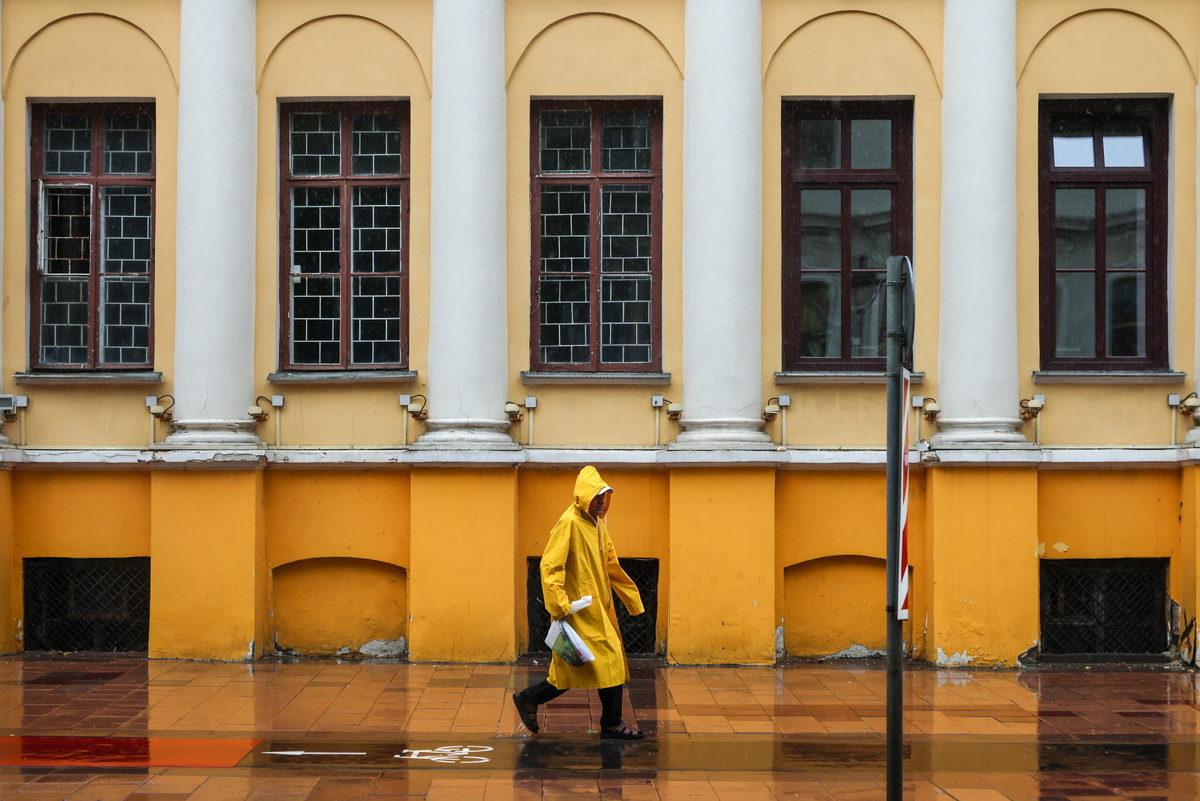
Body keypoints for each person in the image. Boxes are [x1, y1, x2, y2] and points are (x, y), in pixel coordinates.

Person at [512, 465, 646, 739]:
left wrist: (633, 600)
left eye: (604, 496)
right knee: (603, 661)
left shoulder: (596, 525)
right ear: (583, 496)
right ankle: (611, 723)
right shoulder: (570, 522)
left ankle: (529, 698)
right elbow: (550, 566)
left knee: (582, 666)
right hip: (577, 611)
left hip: (596, 610)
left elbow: (611, 565)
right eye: (596, 496)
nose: (601, 502)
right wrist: (560, 606)